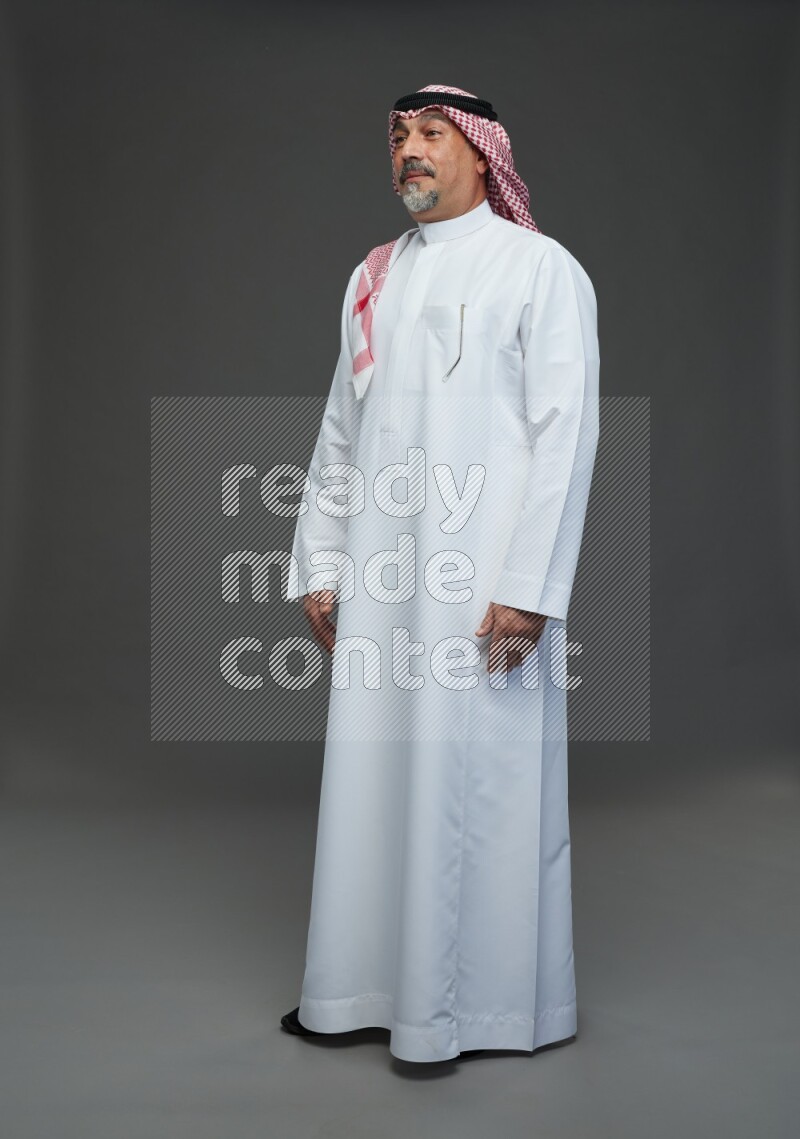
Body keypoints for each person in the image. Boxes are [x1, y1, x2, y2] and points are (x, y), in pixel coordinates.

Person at [281, 83, 600, 1063]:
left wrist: (529, 590)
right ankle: (356, 993)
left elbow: (565, 437)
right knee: (374, 777)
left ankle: (473, 1012)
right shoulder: (372, 276)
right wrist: (321, 561)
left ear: (480, 152)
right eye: (397, 137)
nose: (409, 151)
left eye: (430, 134)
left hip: (481, 591)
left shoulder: (539, 269)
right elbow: (342, 430)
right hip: (384, 580)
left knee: (476, 784)